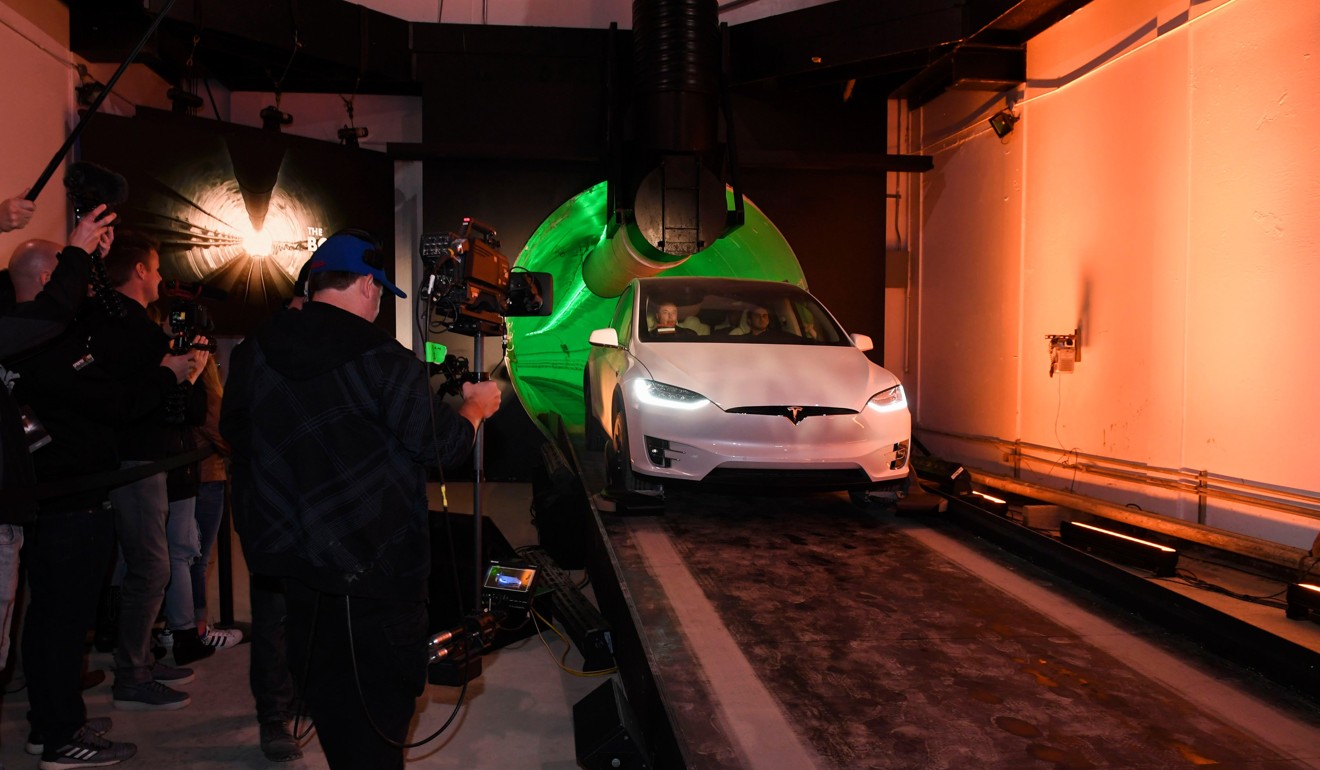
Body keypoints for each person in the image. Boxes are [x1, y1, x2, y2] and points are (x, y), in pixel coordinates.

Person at [221, 230, 501, 769]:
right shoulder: (383, 360)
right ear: (369, 287)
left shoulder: (255, 351)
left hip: (300, 566)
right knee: (381, 716)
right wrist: (475, 409)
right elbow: (442, 447)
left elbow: (240, 434)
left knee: (331, 704)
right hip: (379, 574)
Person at [9, 236, 194, 767]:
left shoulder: (19, 339)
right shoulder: (47, 342)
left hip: (52, 493)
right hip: (69, 498)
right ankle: (61, 733)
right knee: (62, 623)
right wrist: (168, 375)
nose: (88, 290)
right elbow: (112, 404)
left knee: (53, 618)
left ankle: (53, 723)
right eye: (75, 277)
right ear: (51, 282)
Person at [84, 231, 208, 712]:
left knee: (148, 565)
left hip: (138, 458)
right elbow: (139, 398)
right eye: (155, 269)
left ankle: (138, 660)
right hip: (136, 461)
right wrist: (176, 372)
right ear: (139, 271)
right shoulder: (129, 326)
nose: (159, 278)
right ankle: (133, 672)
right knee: (152, 568)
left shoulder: (116, 322)